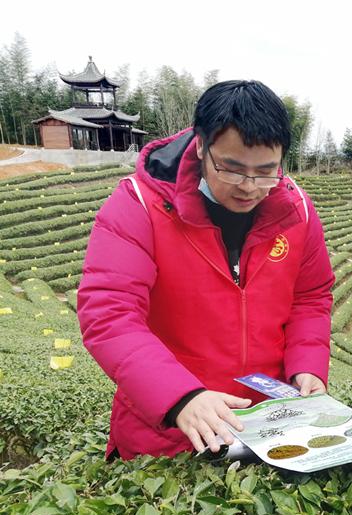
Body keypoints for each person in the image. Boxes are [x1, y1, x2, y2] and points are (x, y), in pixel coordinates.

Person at [78, 81, 334, 460]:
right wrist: (180, 396)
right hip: (168, 434)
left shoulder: (297, 210)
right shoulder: (139, 206)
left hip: (265, 429)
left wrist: (307, 367)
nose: (249, 187)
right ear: (201, 145)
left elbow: (310, 297)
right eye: (231, 169)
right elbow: (109, 313)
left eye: (266, 172)